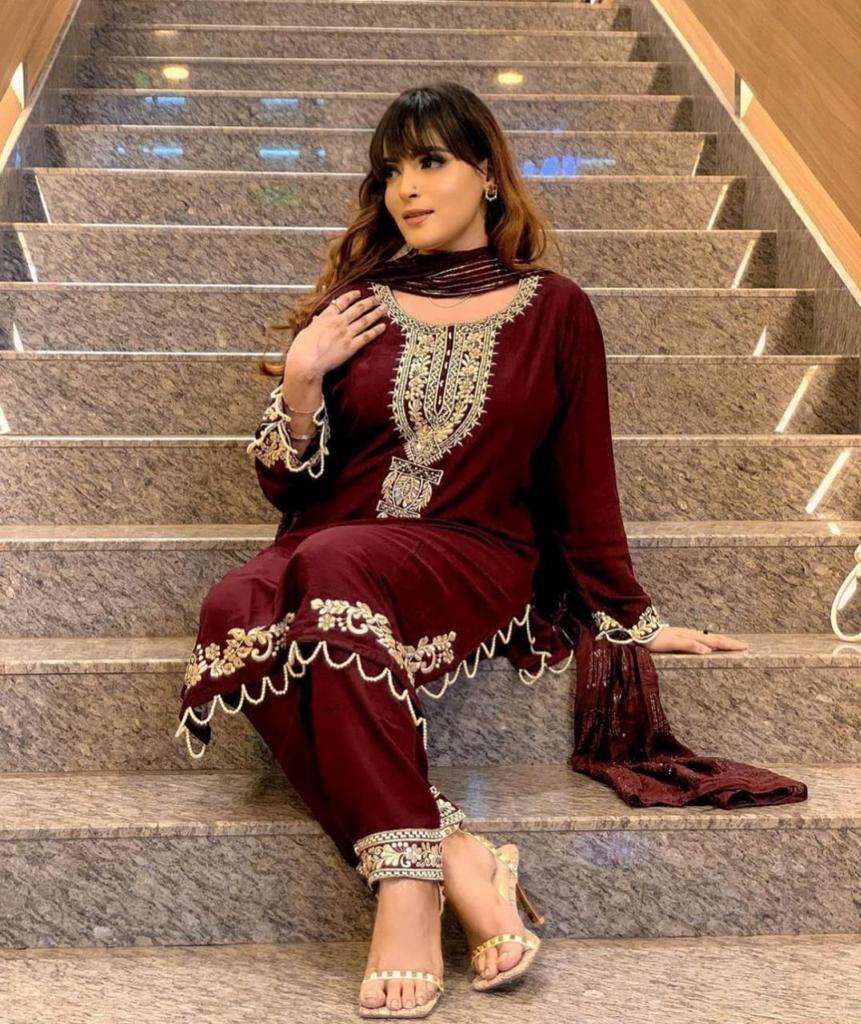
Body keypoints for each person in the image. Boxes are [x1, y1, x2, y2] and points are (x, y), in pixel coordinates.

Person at [175, 81, 808, 1018]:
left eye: (430, 162)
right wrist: (303, 379)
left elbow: (581, 474)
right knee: (234, 603)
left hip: (471, 550)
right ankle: (454, 856)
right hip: (336, 541)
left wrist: (629, 616)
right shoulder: (357, 307)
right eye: (391, 171)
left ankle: (404, 890)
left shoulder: (555, 309)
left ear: (487, 175)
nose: (406, 188)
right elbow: (290, 486)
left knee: (322, 572)